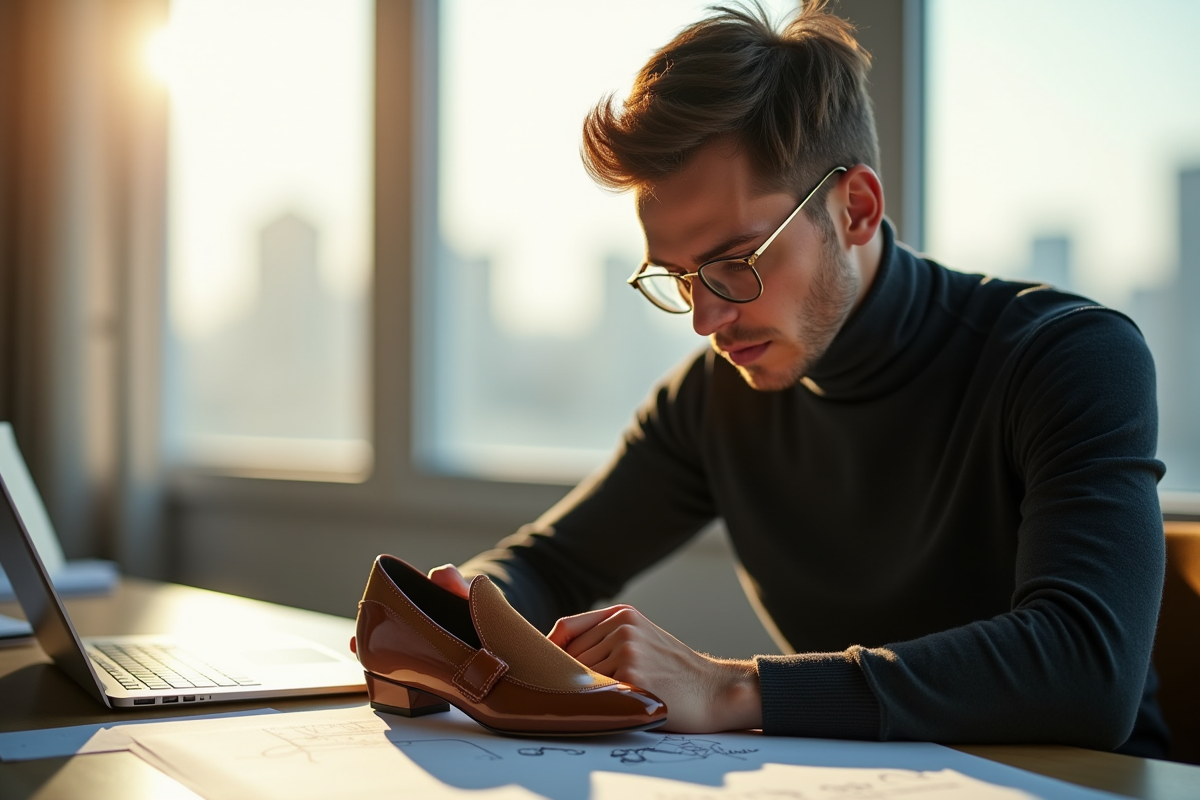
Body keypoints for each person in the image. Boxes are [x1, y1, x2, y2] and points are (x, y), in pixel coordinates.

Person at [428, 2, 1169, 757]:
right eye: (681, 277)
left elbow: (1088, 673)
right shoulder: (714, 398)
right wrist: (459, 611)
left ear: (856, 209)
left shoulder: (1069, 357)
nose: (706, 320)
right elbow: (553, 563)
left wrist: (730, 688)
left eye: (735, 264)